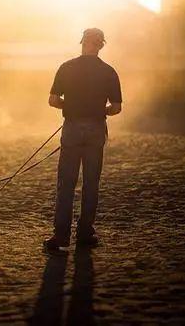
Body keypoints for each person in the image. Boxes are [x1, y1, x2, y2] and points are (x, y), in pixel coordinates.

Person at [44, 28, 122, 253]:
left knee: (66, 183)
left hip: (72, 128)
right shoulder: (109, 72)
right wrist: (100, 110)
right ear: (101, 45)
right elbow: (115, 108)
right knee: (91, 184)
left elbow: (52, 100)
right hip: (96, 128)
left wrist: (69, 107)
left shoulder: (66, 68)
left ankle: (60, 235)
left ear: (82, 43)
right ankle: (85, 232)